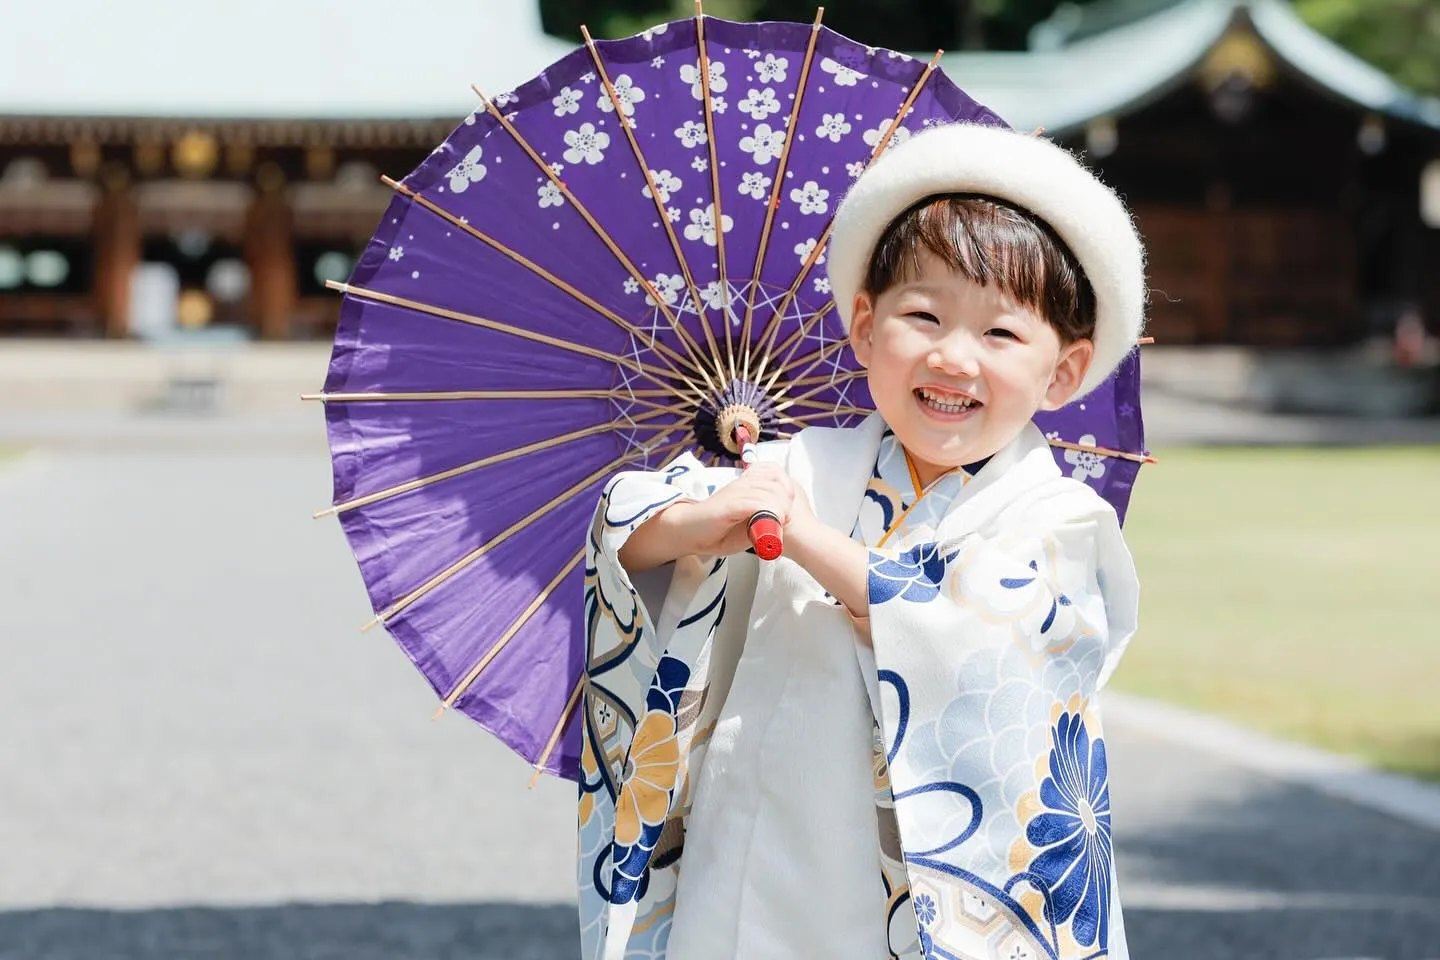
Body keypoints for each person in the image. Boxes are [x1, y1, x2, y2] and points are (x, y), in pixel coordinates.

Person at [576, 122, 1146, 960]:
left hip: (926, 901)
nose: (954, 358)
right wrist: (706, 521)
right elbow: (631, 532)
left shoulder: (1060, 520)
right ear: (864, 326)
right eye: (923, 315)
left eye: (1001, 334)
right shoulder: (795, 465)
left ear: (1063, 371)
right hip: (755, 859)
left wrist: (805, 539)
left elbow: (986, 638)